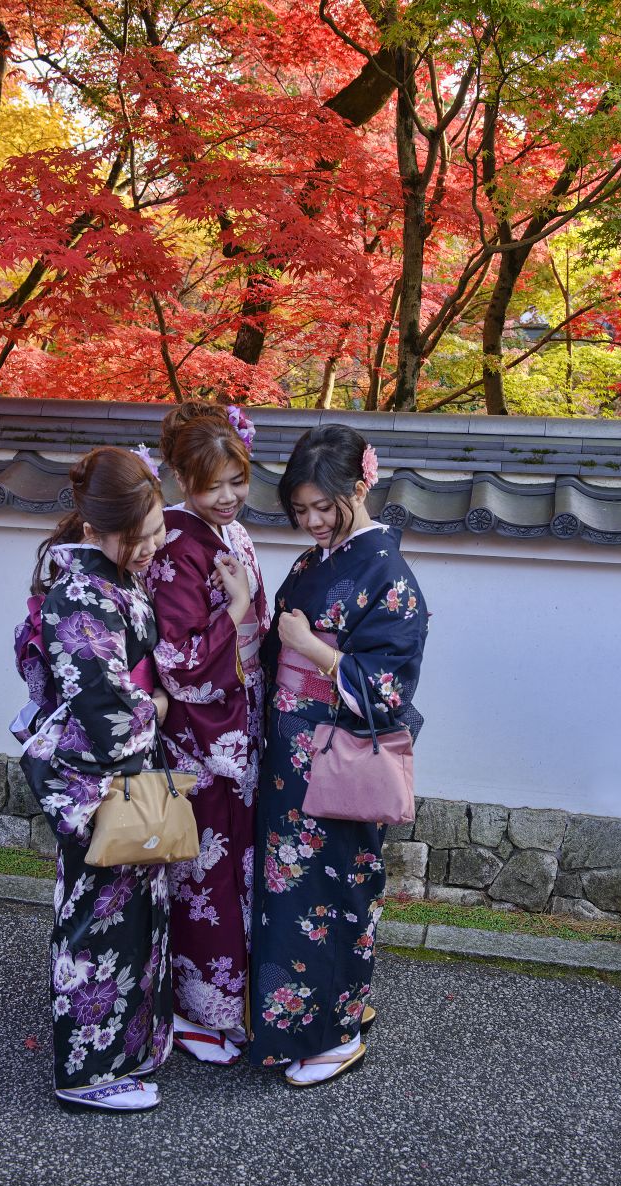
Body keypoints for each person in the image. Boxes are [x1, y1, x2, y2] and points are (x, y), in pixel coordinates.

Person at [249, 424, 428, 1086]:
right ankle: (295, 1018)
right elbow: (274, 650)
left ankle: (338, 1031)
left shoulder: (390, 576)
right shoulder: (310, 565)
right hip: (290, 760)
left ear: (360, 486)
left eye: (325, 507)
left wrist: (317, 650)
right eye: (301, 510)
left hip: (339, 757)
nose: (313, 521)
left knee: (340, 893)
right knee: (288, 898)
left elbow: (388, 688)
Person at [13, 446, 172, 1112]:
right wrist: (158, 706)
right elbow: (104, 714)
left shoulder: (108, 579)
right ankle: (84, 1074)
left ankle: (125, 1052)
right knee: (94, 927)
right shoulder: (78, 594)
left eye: (157, 531)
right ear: (98, 528)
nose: (151, 548)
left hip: (125, 776)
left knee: (131, 920)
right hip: (96, 778)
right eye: (141, 538)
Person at [146, 401, 269, 1065]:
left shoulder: (234, 533)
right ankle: (198, 1011)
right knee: (203, 874)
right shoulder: (174, 543)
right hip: (204, 735)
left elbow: (257, 632)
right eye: (211, 485)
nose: (227, 497)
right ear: (180, 478)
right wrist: (243, 610)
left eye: (236, 481)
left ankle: (229, 1004)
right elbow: (182, 660)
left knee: (234, 869)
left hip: (240, 724)